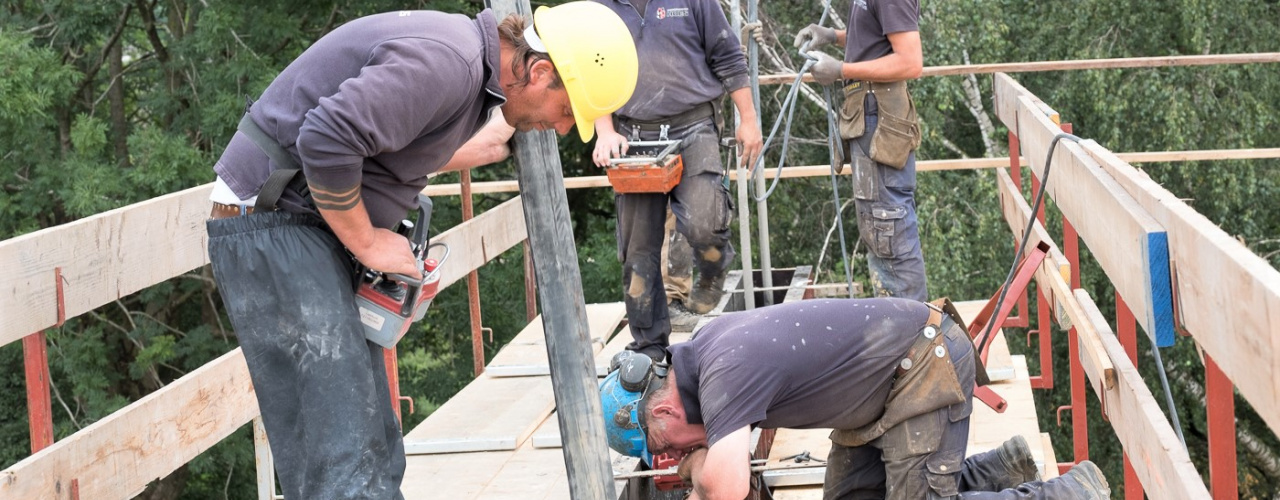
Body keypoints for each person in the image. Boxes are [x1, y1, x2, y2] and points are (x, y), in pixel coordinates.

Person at [205, 4, 638, 498]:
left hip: (301, 224)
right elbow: (325, 139)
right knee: (341, 457)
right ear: (540, 72)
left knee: (375, 446)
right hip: (273, 221)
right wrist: (368, 242)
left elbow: (411, 142)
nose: (562, 129)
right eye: (565, 113)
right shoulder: (447, 64)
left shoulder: (470, 80)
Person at [600, 298, 1112, 499]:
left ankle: (1069, 494)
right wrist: (698, 469)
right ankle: (1002, 467)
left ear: (663, 410)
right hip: (877, 396)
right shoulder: (708, 356)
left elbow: (729, 487)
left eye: (661, 443)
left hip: (918, 368)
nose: (672, 454)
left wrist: (697, 477)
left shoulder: (720, 374)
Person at [592, 0, 764, 361]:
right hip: (633, 134)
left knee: (704, 222)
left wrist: (748, 119)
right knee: (637, 251)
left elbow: (728, 55)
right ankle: (649, 346)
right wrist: (604, 130)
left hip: (693, 125)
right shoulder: (598, 9)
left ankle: (713, 265)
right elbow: (591, 72)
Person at [794, 0, 929, 301]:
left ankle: (909, 333)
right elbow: (875, 38)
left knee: (887, 223)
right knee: (879, 223)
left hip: (877, 115)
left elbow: (910, 62)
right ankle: (899, 327)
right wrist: (834, 36)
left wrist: (842, 69)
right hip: (869, 114)